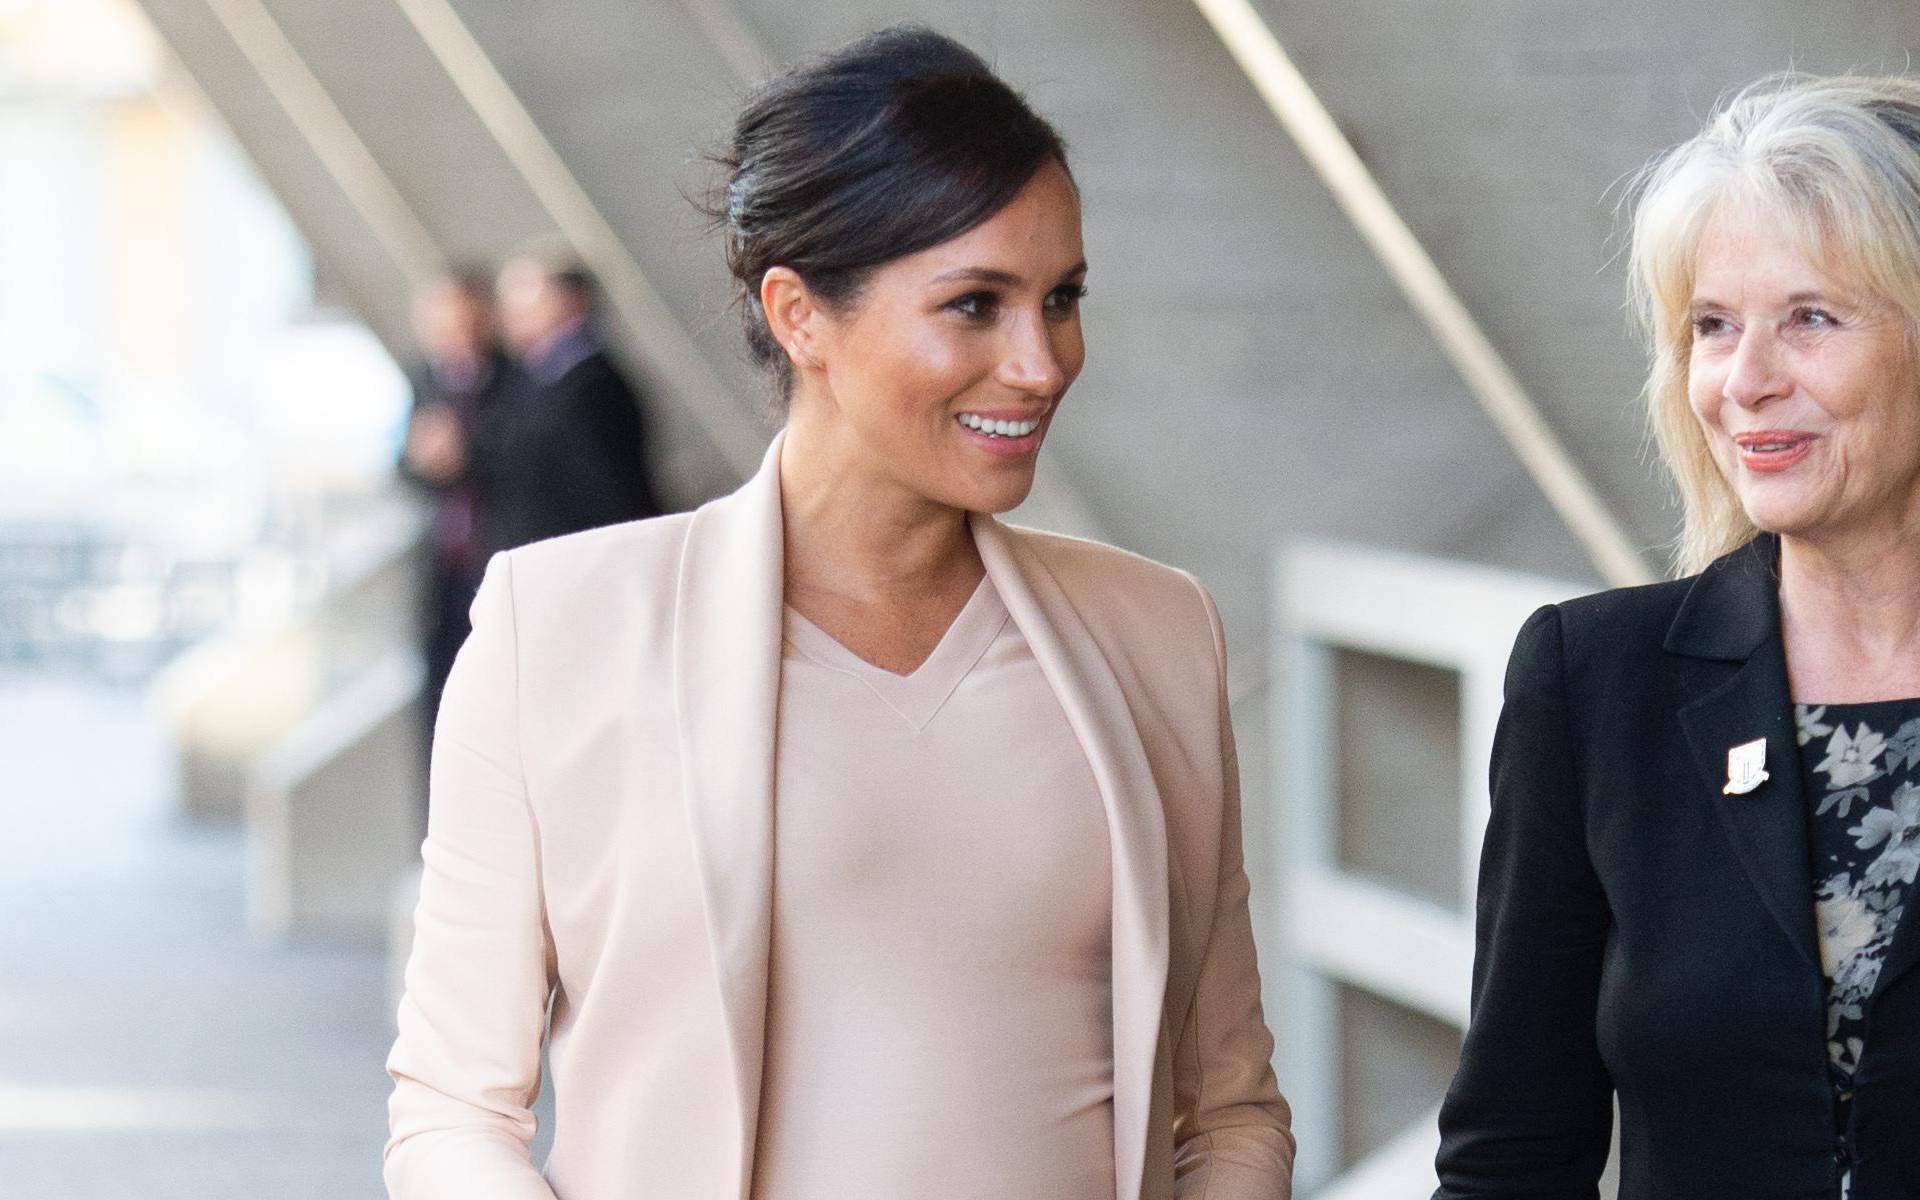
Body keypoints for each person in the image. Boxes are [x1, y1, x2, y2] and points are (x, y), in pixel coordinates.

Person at [385, 26, 1294, 1200]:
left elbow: (1228, 1109)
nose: (1042, 361)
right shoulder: (554, 626)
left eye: (1060, 298)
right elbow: (454, 1106)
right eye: (975, 304)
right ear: (800, 314)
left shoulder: (1158, 632)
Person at [1435, 75, 1920, 1199]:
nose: (1744, 383)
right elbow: (1514, 1149)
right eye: (1712, 327)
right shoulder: (1594, 682)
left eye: (1811, 318)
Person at [467, 251, 662, 556]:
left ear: (568, 301)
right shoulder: (537, 378)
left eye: (524, 298)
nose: (509, 314)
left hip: (595, 559)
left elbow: (607, 492)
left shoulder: (590, 385)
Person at [398, 269, 521, 732]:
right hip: (444, 567)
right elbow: (408, 464)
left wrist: (462, 457)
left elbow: (520, 464)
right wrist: (424, 459)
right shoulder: (426, 379)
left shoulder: (515, 379)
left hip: (494, 558)